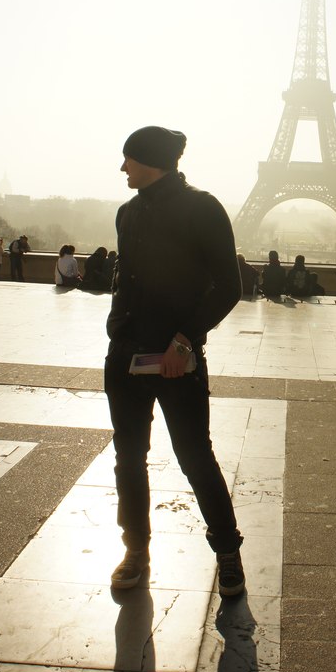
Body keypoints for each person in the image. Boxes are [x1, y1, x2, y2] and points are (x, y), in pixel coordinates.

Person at [105, 125, 245, 596]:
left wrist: (184, 342)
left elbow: (229, 287)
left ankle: (227, 551)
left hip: (176, 359)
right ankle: (135, 551)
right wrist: (117, 334)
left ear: (148, 159)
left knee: (195, 457)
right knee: (128, 459)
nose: (122, 167)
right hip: (126, 357)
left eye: (128, 158)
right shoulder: (127, 213)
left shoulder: (203, 209)